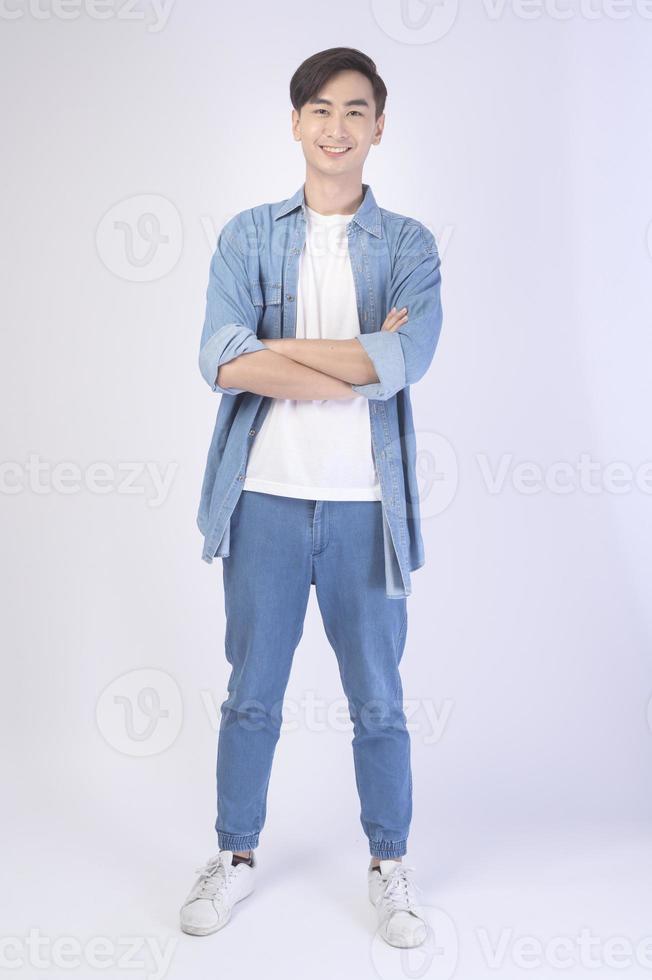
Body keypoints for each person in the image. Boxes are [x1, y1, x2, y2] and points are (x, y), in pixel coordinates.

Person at [180, 46, 443, 948]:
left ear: (378, 128)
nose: (337, 127)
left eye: (355, 111)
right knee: (252, 690)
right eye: (320, 110)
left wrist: (282, 353)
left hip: (369, 508)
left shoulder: (408, 245)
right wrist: (361, 358)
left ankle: (390, 866)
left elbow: (406, 363)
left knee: (379, 695)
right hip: (265, 499)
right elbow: (218, 359)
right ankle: (234, 856)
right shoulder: (249, 236)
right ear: (296, 123)